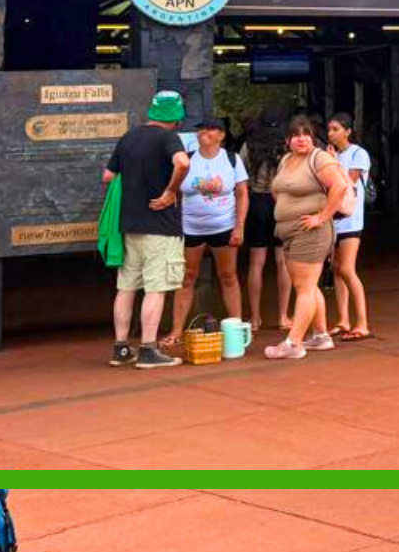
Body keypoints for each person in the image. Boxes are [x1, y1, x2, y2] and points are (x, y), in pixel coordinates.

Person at [101, 90, 191, 369]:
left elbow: (108, 176)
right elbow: (183, 162)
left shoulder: (129, 137)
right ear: (176, 116)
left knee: (126, 287)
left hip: (129, 225)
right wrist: (169, 192)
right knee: (156, 288)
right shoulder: (168, 138)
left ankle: (121, 348)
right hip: (160, 226)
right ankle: (149, 349)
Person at [159, 117, 247, 349]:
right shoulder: (186, 160)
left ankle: (236, 328)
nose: (204, 133)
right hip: (191, 227)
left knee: (228, 276)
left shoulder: (231, 159)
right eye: (201, 129)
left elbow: (241, 194)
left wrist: (239, 226)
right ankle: (177, 330)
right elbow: (173, 191)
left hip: (223, 226)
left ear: (221, 135)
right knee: (187, 277)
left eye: (210, 129)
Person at [265, 114, 347, 360]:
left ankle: (294, 342)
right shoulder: (286, 160)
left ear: (313, 138)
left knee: (304, 288)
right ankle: (320, 336)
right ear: (288, 140)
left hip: (311, 231)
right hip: (289, 231)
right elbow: (278, 189)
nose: (302, 139)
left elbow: (340, 186)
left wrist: (321, 216)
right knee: (307, 287)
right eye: (296, 135)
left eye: (307, 134)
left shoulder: (319, 158)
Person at [327, 113, 374, 340]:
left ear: (348, 131)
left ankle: (362, 322)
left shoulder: (358, 154)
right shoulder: (331, 155)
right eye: (329, 129)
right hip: (333, 218)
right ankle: (343, 319)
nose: (331, 133)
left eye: (336, 129)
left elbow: (348, 183)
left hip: (351, 219)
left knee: (347, 268)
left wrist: (333, 163)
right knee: (336, 269)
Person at [241, 123, 290, 334]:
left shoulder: (248, 147)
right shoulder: (284, 149)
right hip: (279, 203)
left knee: (256, 263)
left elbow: (240, 177)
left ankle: (254, 318)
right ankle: (283, 316)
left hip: (255, 203)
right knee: (283, 261)